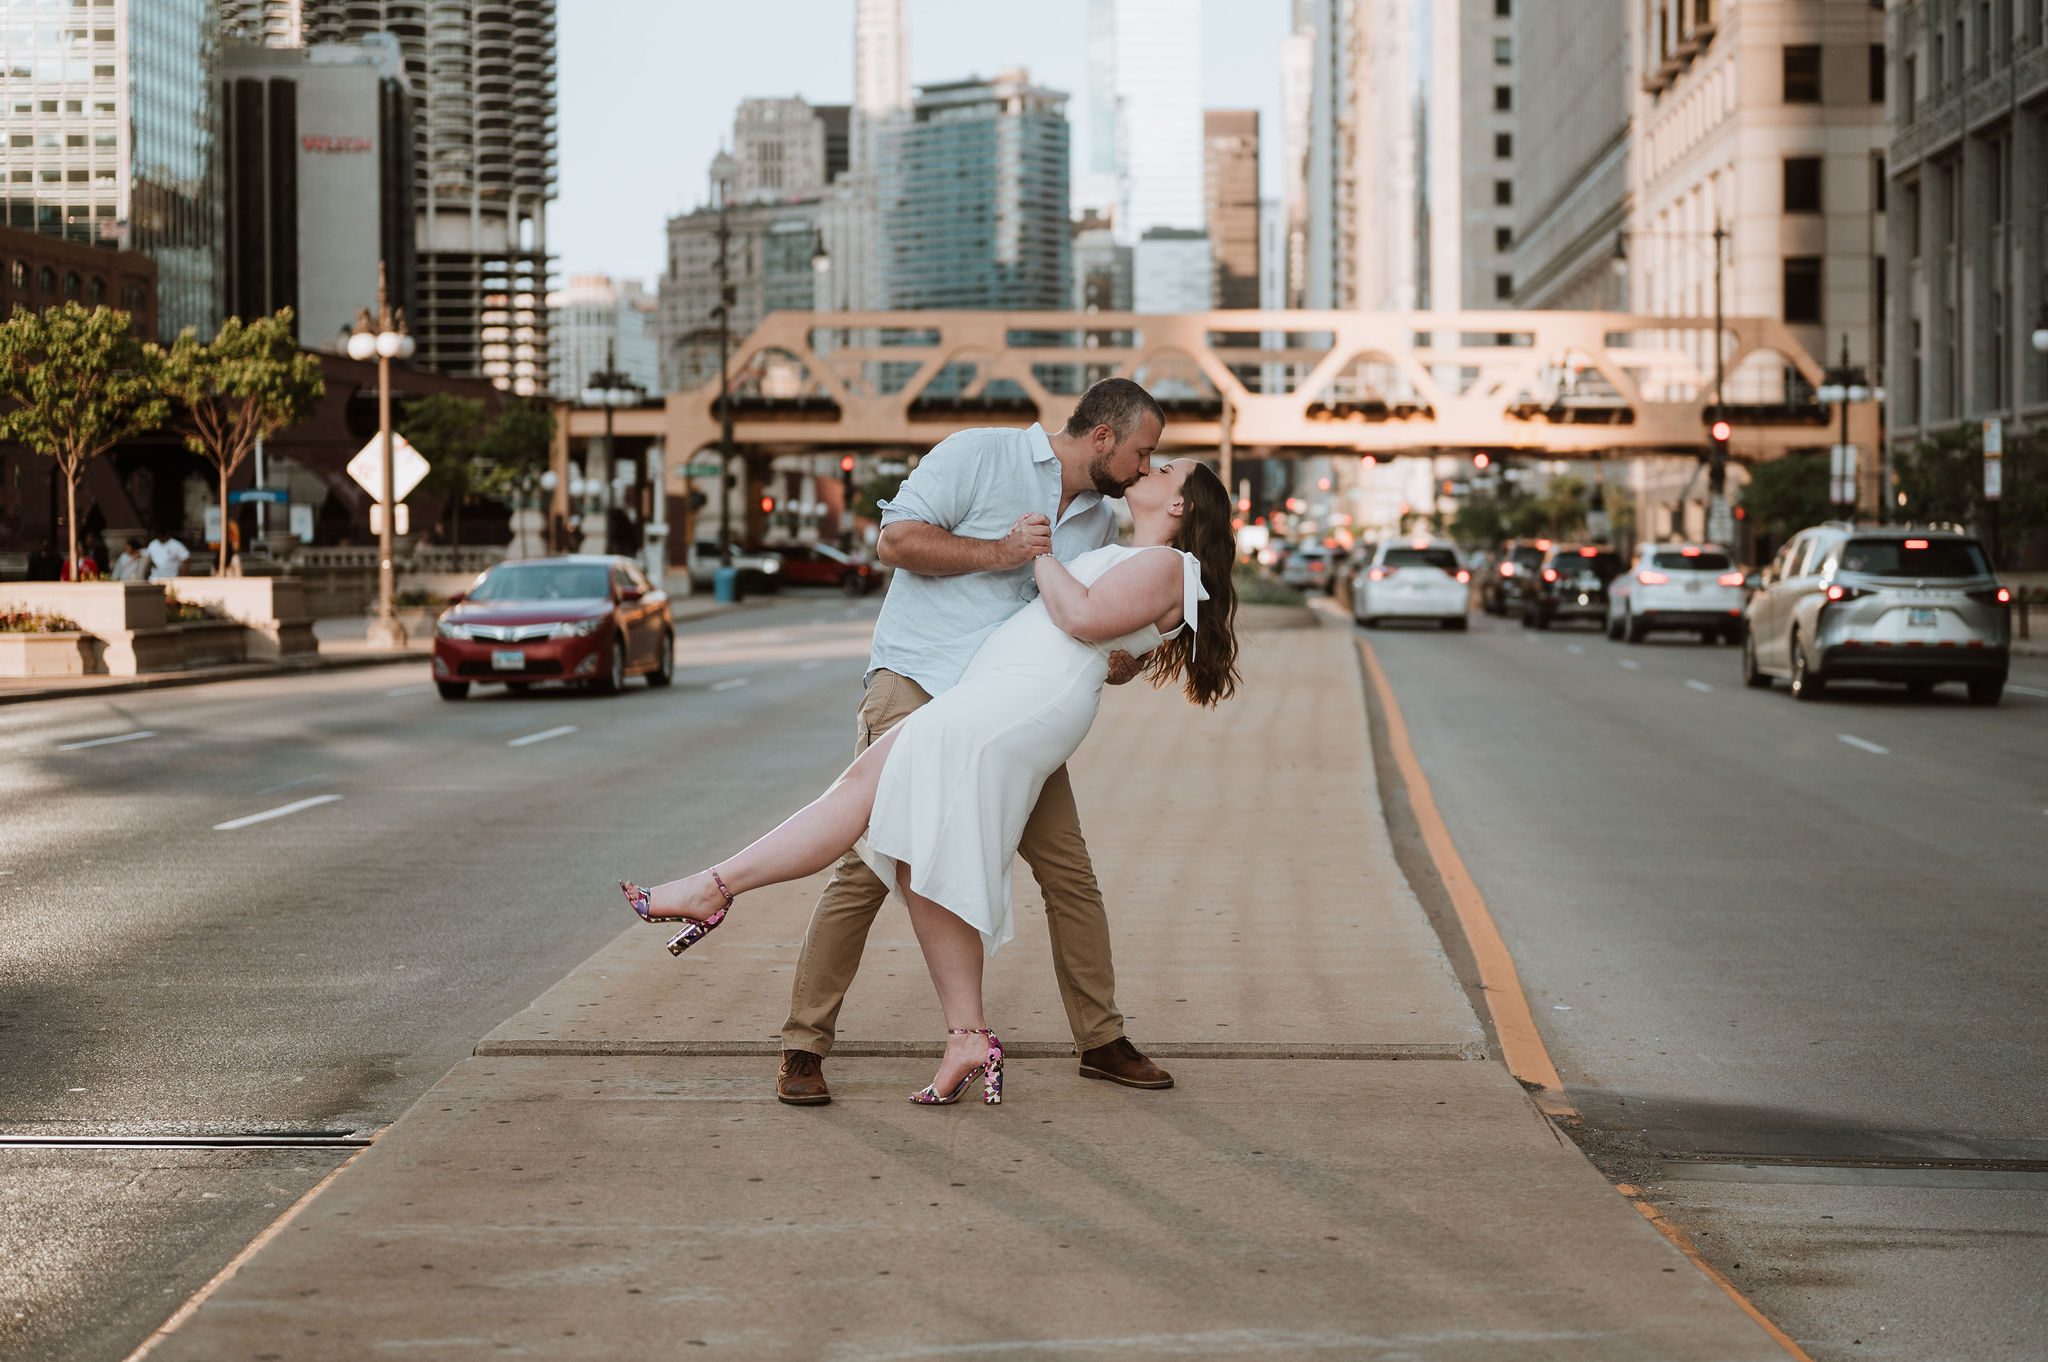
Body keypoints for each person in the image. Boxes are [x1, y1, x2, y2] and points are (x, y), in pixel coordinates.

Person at [622, 454, 1240, 1107]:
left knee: (865, 798)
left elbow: (1083, 620)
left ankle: (712, 888)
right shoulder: (1123, 550)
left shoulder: (1173, 566)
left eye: (1167, 466)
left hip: (1010, 709)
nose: (1152, 465)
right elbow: (1106, 634)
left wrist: (1036, 553)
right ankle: (967, 1036)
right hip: (996, 700)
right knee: (907, 853)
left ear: (1179, 506)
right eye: (1151, 454)